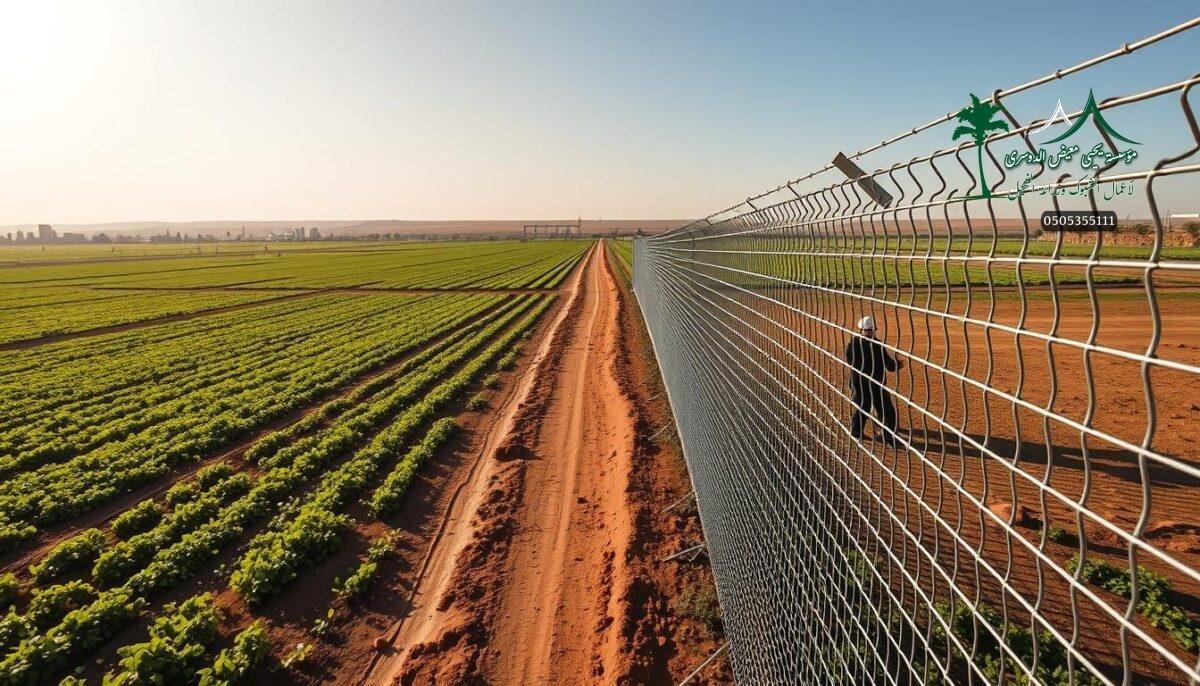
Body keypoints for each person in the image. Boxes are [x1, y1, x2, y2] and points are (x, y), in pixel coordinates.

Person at [846, 315, 902, 445]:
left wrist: (896, 364)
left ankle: (885, 436)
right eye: (867, 330)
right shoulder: (865, 344)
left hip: (869, 383)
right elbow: (890, 366)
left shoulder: (866, 344)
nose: (868, 332)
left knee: (877, 408)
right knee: (871, 407)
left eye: (869, 330)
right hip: (867, 384)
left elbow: (888, 364)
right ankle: (860, 432)